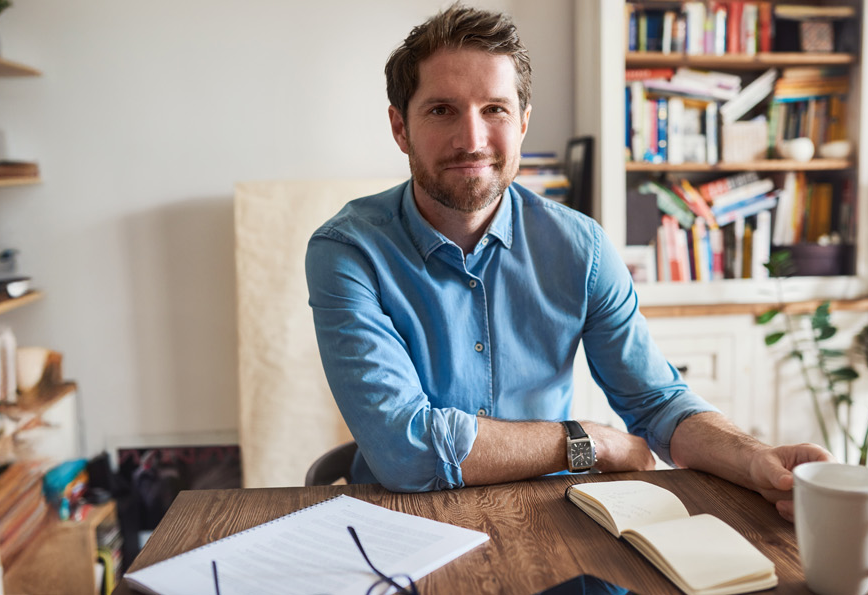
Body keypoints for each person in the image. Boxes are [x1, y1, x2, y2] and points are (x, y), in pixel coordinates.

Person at [304, 4, 830, 520]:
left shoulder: (583, 248)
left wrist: (757, 460)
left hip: (549, 522)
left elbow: (658, 406)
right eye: (442, 110)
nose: (472, 140)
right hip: (398, 523)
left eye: (495, 109)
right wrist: (588, 443)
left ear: (524, 123)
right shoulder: (347, 252)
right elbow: (407, 448)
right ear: (401, 128)